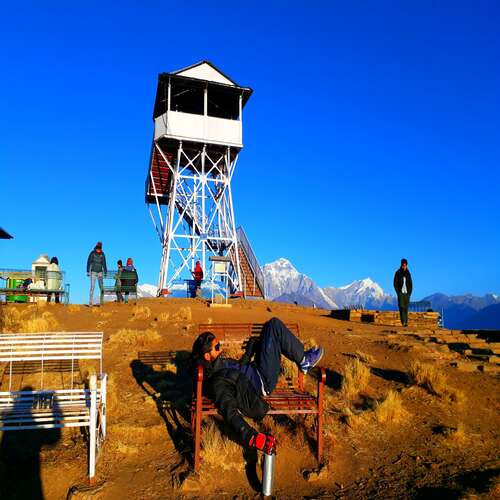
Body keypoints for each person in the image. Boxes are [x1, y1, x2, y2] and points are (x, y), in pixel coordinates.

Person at [191, 317, 324, 453]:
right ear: (207, 356)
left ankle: (302, 359)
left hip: (257, 369)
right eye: (217, 347)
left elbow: (239, 367)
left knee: (268, 328)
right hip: (263, 380)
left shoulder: (218, 363)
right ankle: (304, 360)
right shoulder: (217, 381)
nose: (221, 348)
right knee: (273, 326)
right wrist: (252, 436)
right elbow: (228, 410)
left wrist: (250, 350)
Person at [393, 258, 413, 327]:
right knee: (401, 307)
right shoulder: (398, 272)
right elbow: (395, 283)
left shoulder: (408, 273)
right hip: (401, 293)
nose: (404, 266)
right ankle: (403, 322)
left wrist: (409, 292)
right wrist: (398, 292)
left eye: (405, 265)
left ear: (406, 265)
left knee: (406, 308)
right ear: (401, 265)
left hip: (407, 293)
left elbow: (410, 283)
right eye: (403, 265)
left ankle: (406, 322)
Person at [86, 242, 107, 306]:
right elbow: (89, 261)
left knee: (101, 287)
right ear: (96, 247)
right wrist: (87, 271)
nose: (99, 249)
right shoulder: (92, 253)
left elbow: (104, 263)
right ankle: (90, 302)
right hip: (93, 272)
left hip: (100, 272)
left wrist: (105, 271)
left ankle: (101, 302)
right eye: (98, 248)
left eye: (100, 248)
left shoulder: (102, 254)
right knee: (92, 287)